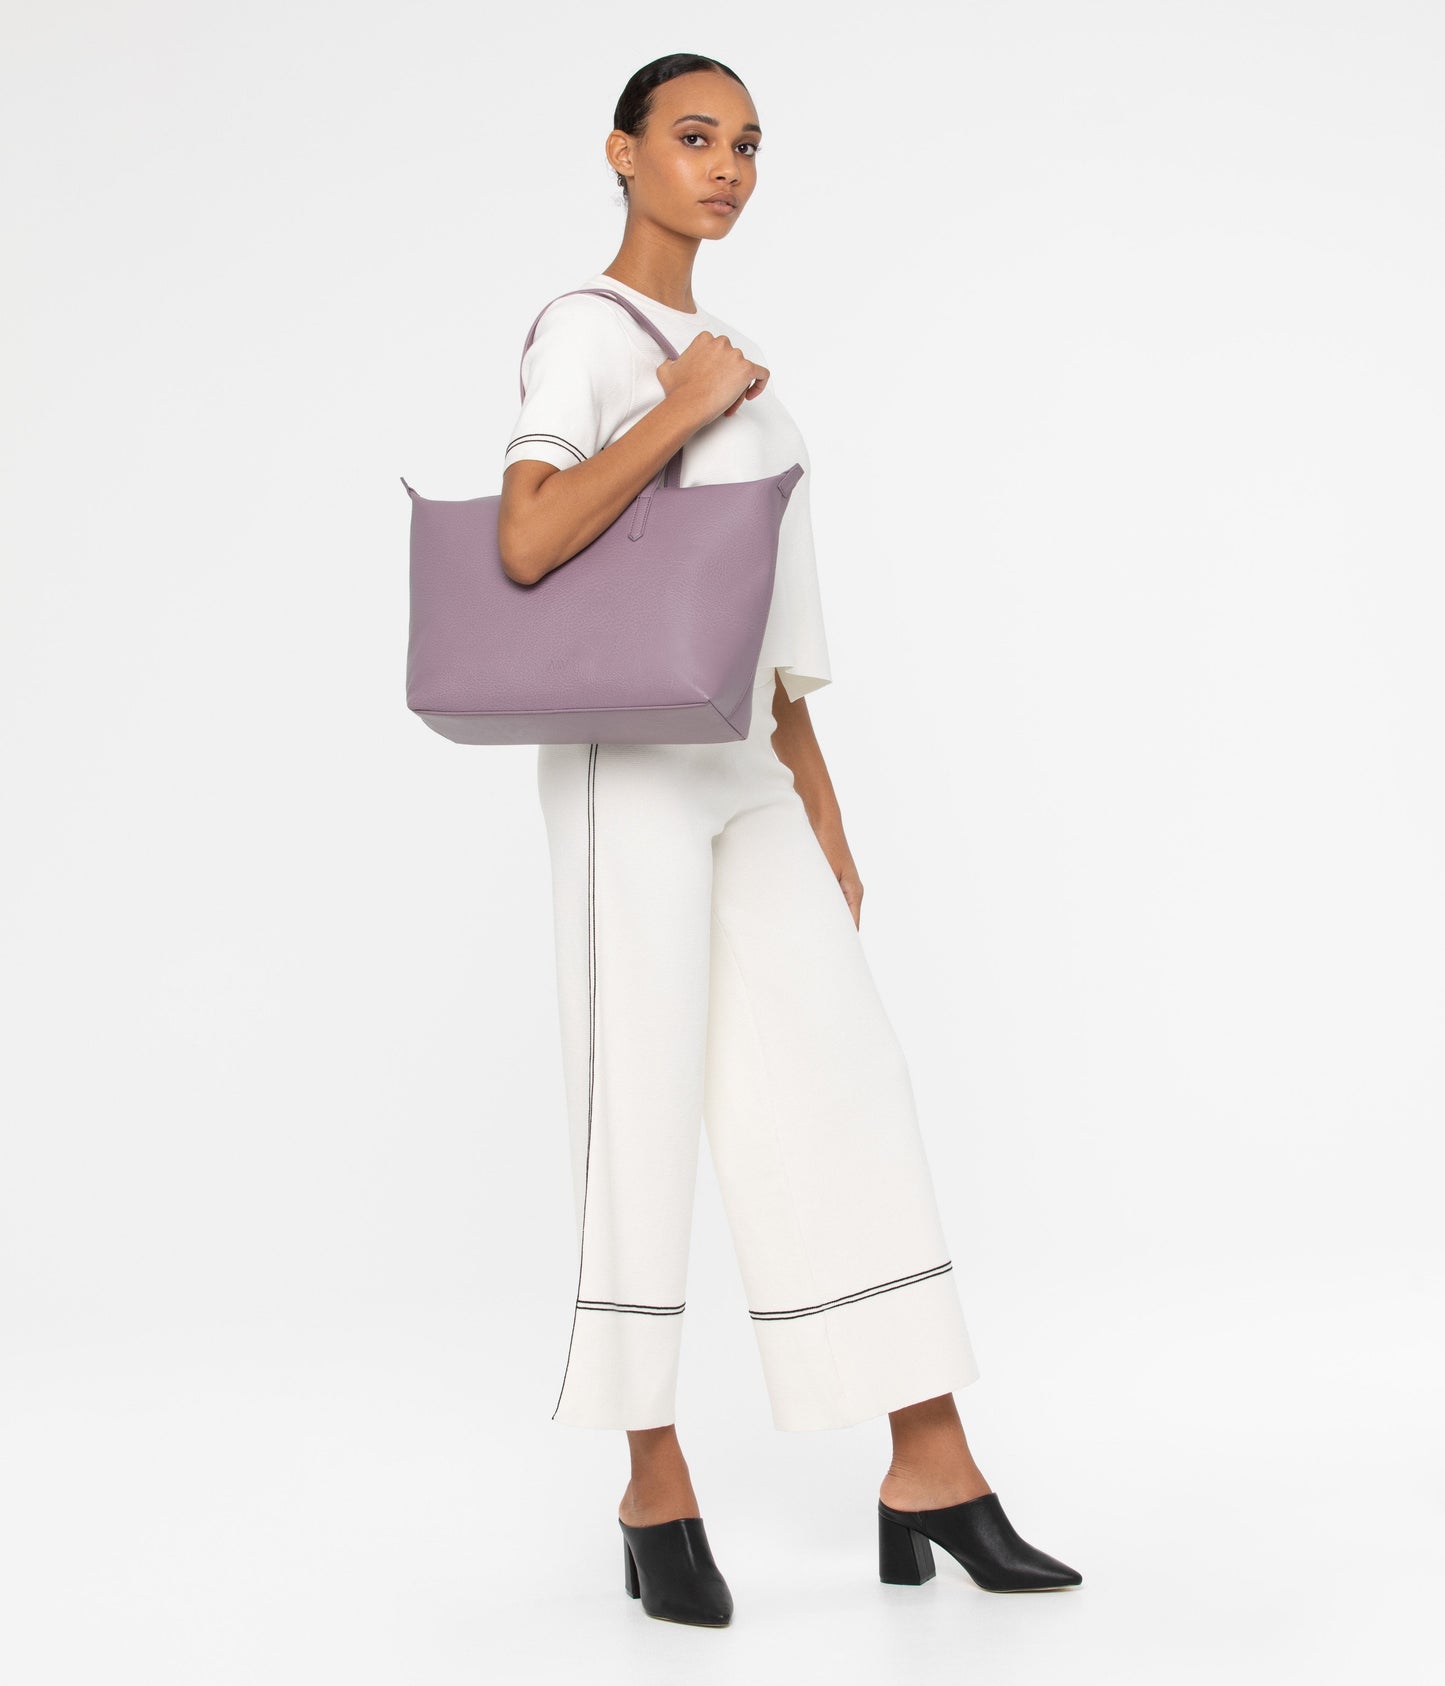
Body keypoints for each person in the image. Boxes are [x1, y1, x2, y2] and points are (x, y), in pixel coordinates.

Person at [496, 53, 1082, 1627]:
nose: (726, 167)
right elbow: (528, 537)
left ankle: (930, 1461)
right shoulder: (588, 331)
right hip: (626, 765)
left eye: (747, 145)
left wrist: (817, 800)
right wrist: (683, 408)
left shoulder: (740, 360)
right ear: (620, 153)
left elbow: (762, 620)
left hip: (743, 761)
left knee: (842, 1080)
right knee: (636, 1107)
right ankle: (653, 1481)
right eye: (693, 137)